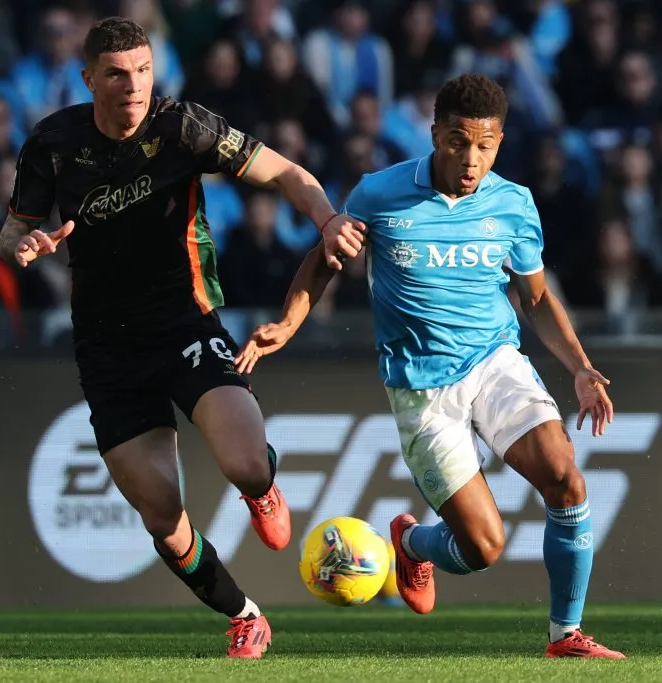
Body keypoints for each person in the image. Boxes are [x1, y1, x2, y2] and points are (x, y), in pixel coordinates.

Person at [0, 17, 364, 659]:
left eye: (142, 70)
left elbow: (285, 173)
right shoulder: (53, 144)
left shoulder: (183, 126)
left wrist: (328, 219)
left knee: (244, 460)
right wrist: (25, 244)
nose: (133, 85)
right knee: (164, 520)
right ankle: (245, 614)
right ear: (89, 80)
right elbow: (12, 229)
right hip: (107, 348)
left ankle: (263, 486)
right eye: (116, 73)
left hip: (183, 321)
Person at [236, 73, 625, 659]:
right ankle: (414, 546)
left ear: (499, 142)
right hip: (421, 388)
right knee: (484, 548)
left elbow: (537, 299)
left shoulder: (514, 204)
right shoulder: (379, 194)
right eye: (458, 142)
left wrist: (580, 366)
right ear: (436, 134)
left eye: (486, 146)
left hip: (495, 360)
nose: (472, 160)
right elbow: (326, 257)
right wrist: (289, 323)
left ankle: (565, 635)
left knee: (565, 478)